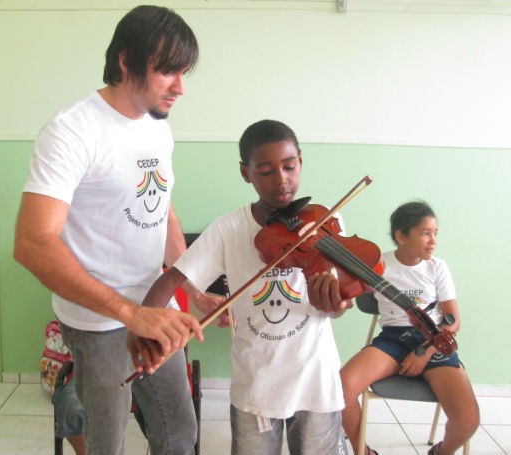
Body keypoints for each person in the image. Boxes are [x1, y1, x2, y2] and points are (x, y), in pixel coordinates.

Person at [14, 5, 223, 454]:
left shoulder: (157, 127)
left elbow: (162, 210)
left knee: (178, 434)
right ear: (126, 61)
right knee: (107, 443)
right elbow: (33, 244)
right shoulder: (72, 131)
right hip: (97, 323)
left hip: (154, 306)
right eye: (168, 71)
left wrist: (197, 288)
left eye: (184, 73)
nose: (180, 88)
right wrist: (130, 314)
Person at [130, 119, 351, 455]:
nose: (281, 180)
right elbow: (171, 278)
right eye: (266, 171)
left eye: (289, 166)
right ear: (245, 172)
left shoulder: (324, 223)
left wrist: (335, 304)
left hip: (315, 381)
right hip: (256, 384)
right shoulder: (229, 229)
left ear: (300, 162)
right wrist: (142, 323)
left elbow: (334, 309)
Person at [340, 201, 480, 455]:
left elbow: (453, 320)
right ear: (401, 236)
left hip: (433, 339)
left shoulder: (437, 267)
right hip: (392, 339)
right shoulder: (378, 264)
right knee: (340, 389)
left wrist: (423, 353)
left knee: (468, 420)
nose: (433, 240)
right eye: (425, 233)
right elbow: (349, 292)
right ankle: (362, 450)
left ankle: (441, 452)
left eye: (435, 232)